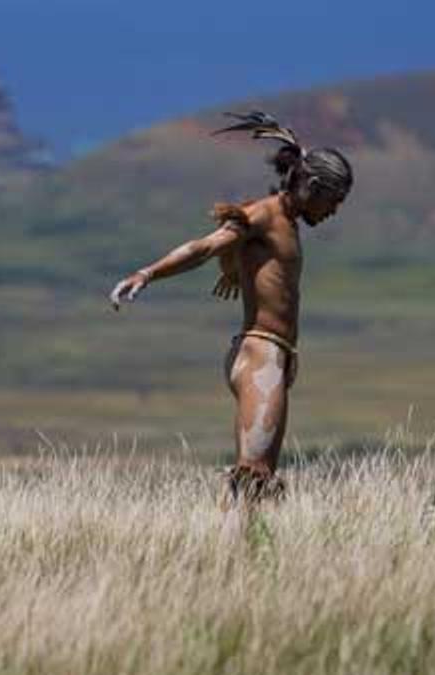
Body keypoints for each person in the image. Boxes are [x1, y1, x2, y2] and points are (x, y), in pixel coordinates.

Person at [108, 111, 353, 503]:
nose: (333, 212)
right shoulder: (266, 215)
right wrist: (147, 273)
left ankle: (244, 559)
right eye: (332, 201)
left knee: (260, 482)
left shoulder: (286, 224)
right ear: (312, 185)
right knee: (252, 478)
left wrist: (239, 267)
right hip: (260, 355)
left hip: (276, 358)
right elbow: (205, 247)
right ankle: (227, 557)